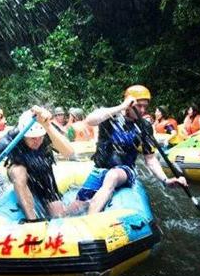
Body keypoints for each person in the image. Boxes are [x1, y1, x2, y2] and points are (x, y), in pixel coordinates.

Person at [77, 85, 187, 214]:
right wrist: (123, 106)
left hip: (125, 170)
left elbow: (150, 158)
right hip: (100, 168)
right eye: (139, 106)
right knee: (76, 205)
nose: (142, 110)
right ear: (129, 104)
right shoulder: (111, 117)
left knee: (112, 176)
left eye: (145, 106)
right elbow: (90, 120)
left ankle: (91, 222)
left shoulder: (144, 126)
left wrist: (165, 180)